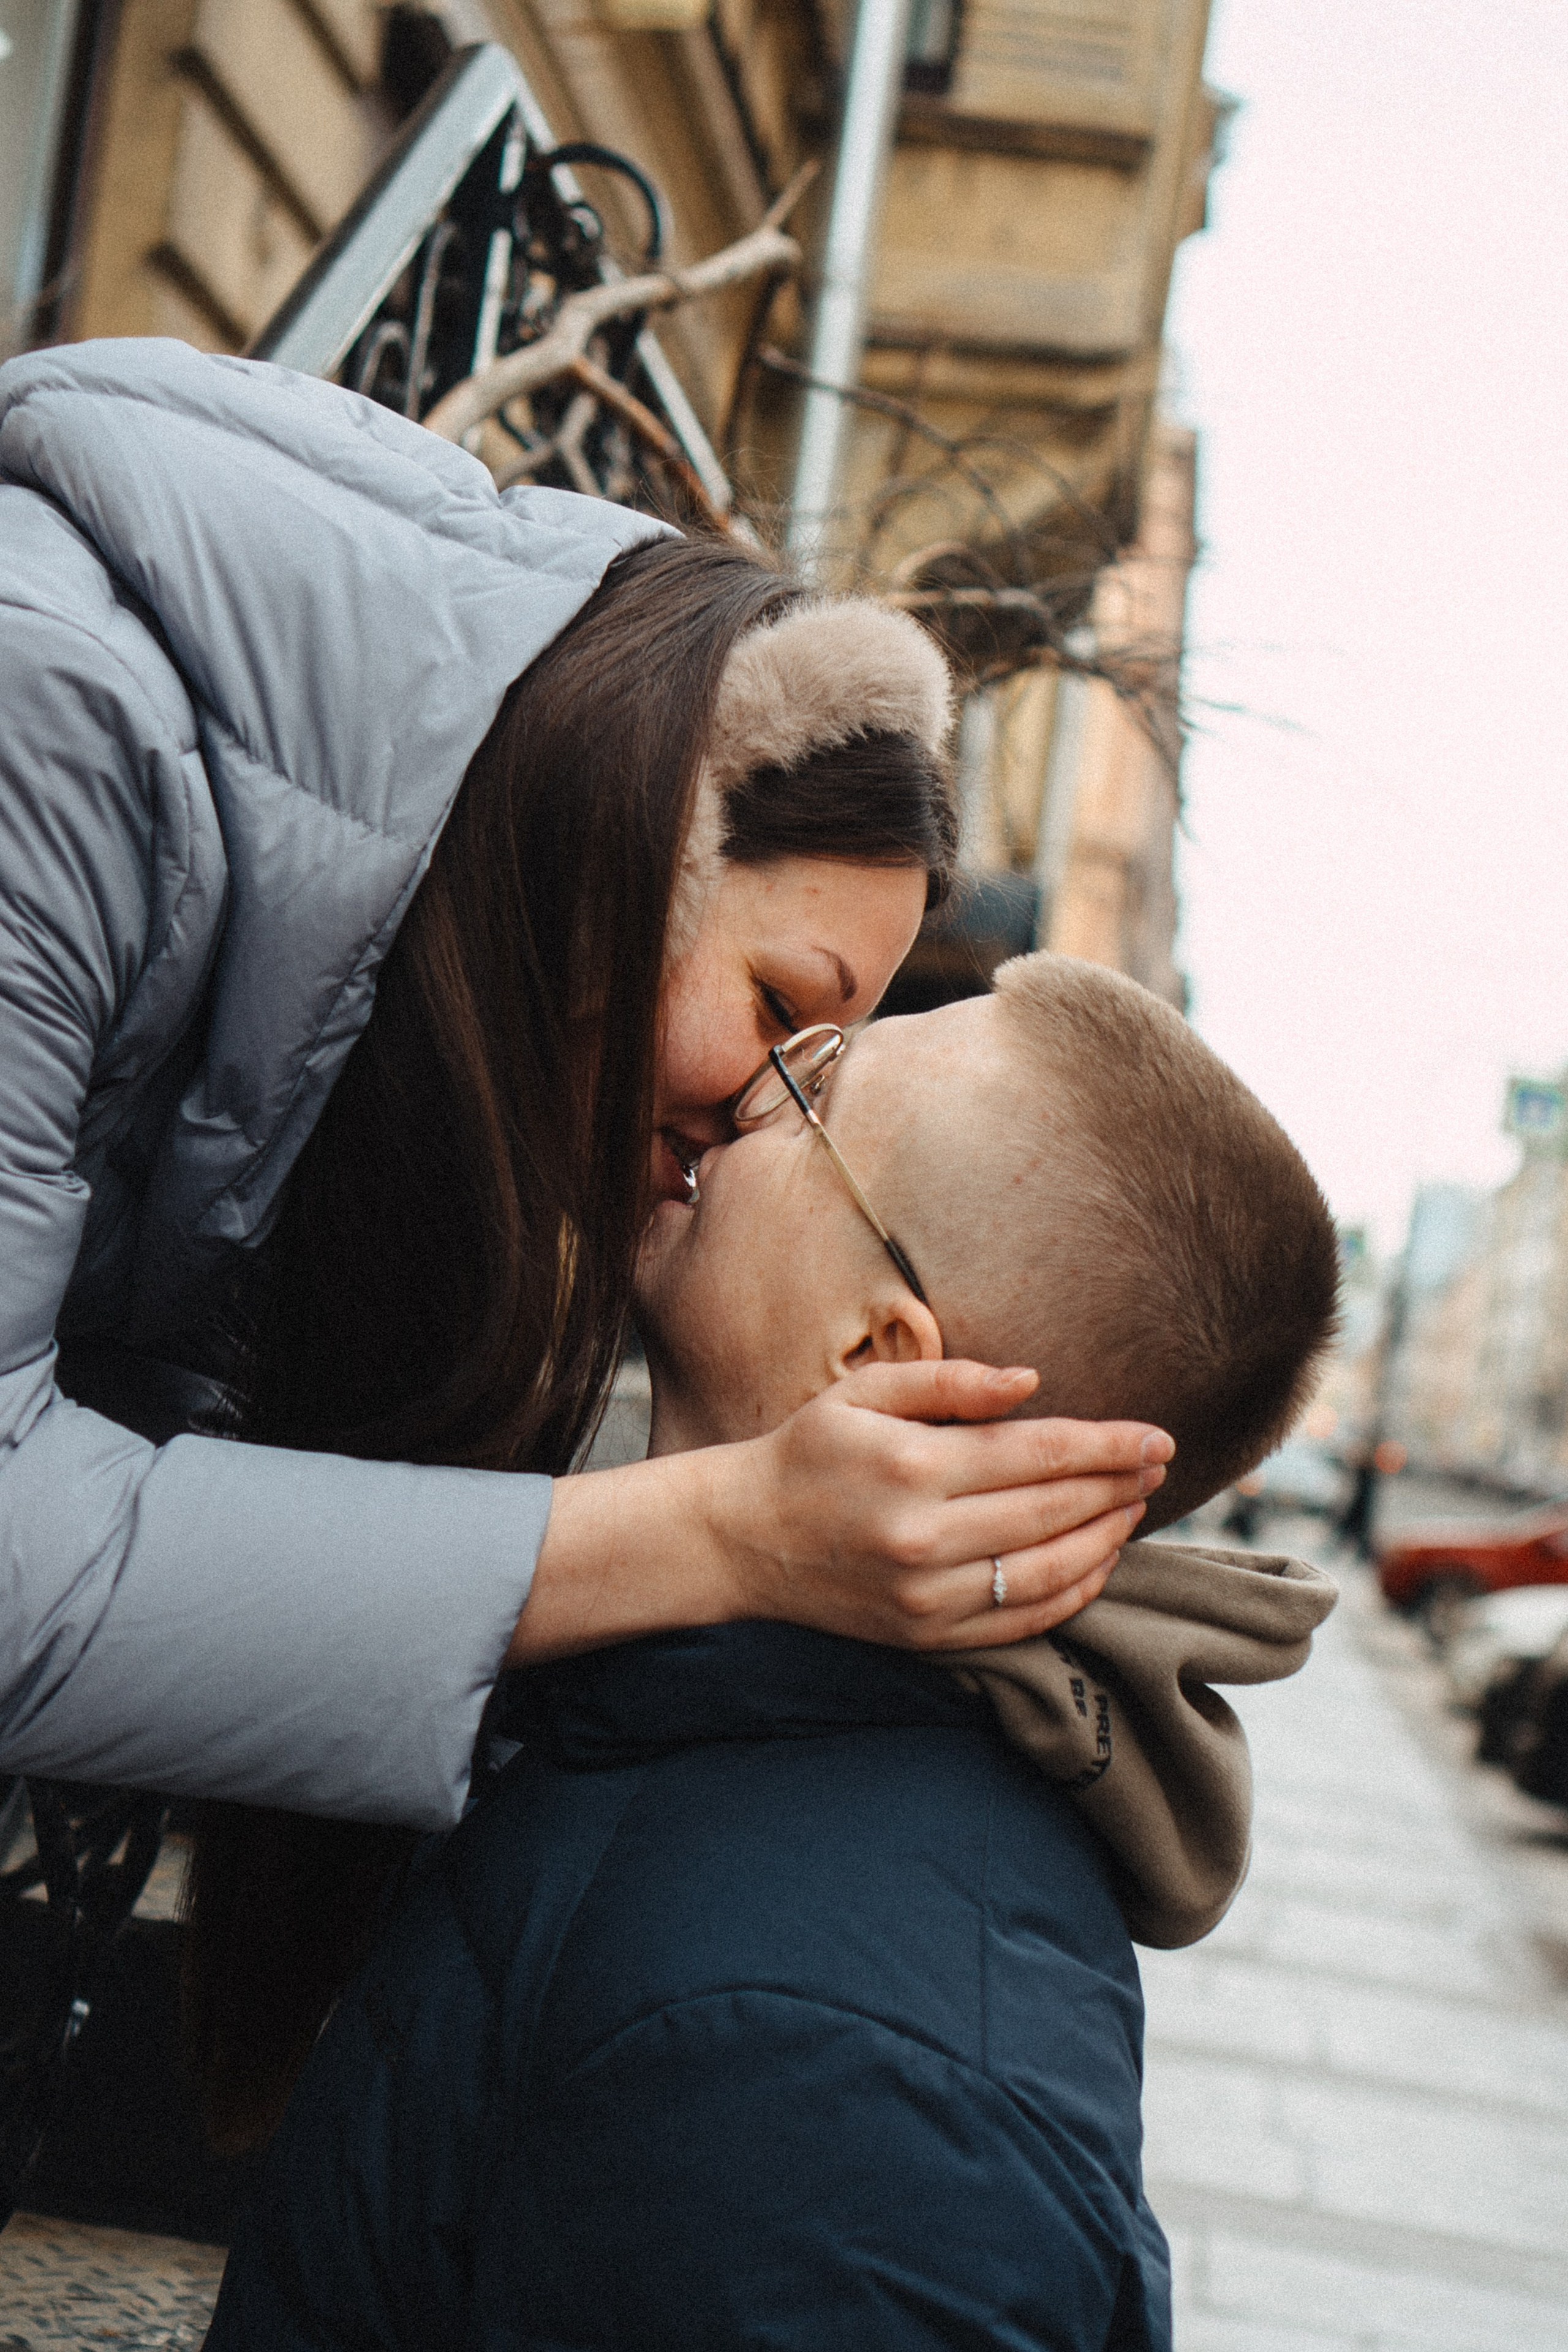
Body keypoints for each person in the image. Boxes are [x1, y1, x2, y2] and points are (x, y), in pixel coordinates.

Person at [0, 338, 1170, 1836]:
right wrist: (725, 1533)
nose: (759, 1111)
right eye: (775, 1008)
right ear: (643, 831)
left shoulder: (344, 1019)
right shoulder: (58, 732)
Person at [203, 952, 1340, 2351]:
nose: (747, 1089)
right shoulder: (703, 1729)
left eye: (817, 1085)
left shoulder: (839, 2079)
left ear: (876, 1351)